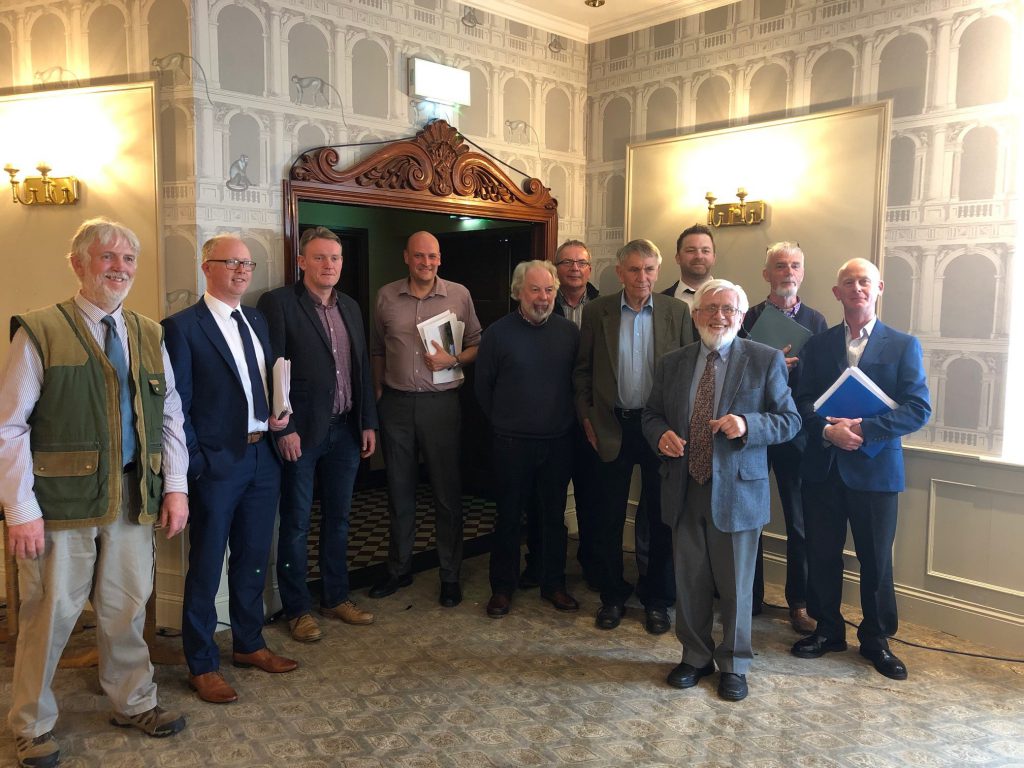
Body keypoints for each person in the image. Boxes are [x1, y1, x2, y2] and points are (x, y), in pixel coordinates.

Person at [1, 217, 188, 768]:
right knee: (50, 615)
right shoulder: (40, 330)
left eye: (128, 259)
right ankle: (31, 725)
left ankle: (134, 702)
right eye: (108, 257)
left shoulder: (149, 334)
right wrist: (21, 509)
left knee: (126, 608)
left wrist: (175, 488)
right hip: (60, 506)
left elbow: (170, 415)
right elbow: (10, 426)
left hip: (131, 497)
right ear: (78, 264)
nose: (119, 268)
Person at [643, 278, 800, 702]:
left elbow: (789, 421)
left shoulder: (764, 359)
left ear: (741, 316)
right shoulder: (673, 362)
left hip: (738, 492)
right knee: (690, 582)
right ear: (695, 315)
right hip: (684, 486)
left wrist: (748, 424)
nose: (719, 317)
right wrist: (660, 436)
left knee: (736, 587)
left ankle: (734, 663)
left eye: (728, 309)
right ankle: (695, 656)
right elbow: (651, 414)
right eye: (710, 308)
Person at [162, 235, 296, 705]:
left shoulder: (256, 319)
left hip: (263, 457)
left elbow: (264, 382)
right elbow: (175, 405)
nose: (242, 271)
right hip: (217, 466)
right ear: (207, 267)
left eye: (247, 263)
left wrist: (279, 417)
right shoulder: (182, 327)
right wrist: (197, 462)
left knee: (252, 557)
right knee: (206, 565)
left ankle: (249, 643)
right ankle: (202, 664)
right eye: (232, 262)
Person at [791, 258, 930, 680]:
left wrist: (865, 430)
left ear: (879, 288)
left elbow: (918, 408)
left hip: (876, 471)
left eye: (864, 281)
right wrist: (827, 431)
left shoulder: (903, 345)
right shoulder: (818, 345)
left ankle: (876, 639)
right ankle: (828, 631)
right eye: (848, 282)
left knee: (876, 560)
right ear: (837, 293)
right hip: (823, 467)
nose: (857, 288)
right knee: (822, 554)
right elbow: (800, 402)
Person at [257, 227, 378, 643]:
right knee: (296, 522)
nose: (329, 265)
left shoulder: (351, 307)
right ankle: (297, 609)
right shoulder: (278, 303)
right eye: (320, 257)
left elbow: (361, 369)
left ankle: (335, 597)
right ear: (302, 262)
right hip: (302, 434)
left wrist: (367, 421)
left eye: (335, 258)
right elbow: (271, 369)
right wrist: (284, 426)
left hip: (346, 431)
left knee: (340, 518)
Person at [573, 238, 694, 635]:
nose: (642, 277)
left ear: (658, 272)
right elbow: (583, 371)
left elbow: (690, 372)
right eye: (634, 270)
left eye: (649, 270)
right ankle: (612, 595)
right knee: (607, 516)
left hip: (660, 428)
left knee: (660, 518)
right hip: (613, 426)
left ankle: (657, 599)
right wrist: (587, 418)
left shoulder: (676, 312)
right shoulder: (598, 311)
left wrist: (680, 426)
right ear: (620, 273)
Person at [369, 231, 482, 607]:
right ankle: (399, 569)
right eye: (419, 256)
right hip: (397, 404)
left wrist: (454, 359)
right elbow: (377, 348)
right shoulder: (386, 296)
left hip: (441, 405)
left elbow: (477, 343)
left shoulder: (459, 295)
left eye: (432, 256)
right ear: (406, 257)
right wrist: (377, 390)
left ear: (440, 259)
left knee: (446, 493)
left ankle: (450, 574)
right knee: (399, 490)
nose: (426, 263)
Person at [475, 260, 580, 617]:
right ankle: (502, 589)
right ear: (518, 291)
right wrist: (506, 422)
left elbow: (577, 385)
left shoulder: (569, 334)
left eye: (549, 290)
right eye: (535, 290)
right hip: (511, 443)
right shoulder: (497, 334)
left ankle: (553, 584)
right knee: (507, 516)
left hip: (558, 442)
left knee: (552, 517)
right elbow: (483, 388)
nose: (543, 297)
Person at [742, 242, 828, 631]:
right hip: (756, 429)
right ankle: (750, 596)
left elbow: (822, 381)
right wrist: (770, 364)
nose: (788, 272)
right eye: (780, 266)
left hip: (797, 432)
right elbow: (735, 374)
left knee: (799, 522)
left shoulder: (817, 321)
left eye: (795, 265)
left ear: (802, 273)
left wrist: (792, 369)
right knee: (751, 517)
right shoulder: (747, 317)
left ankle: (800, 603)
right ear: (766, 274)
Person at [517, 241, 602, 591]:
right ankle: (539, 564)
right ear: (556, 268)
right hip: (549, 419)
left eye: (581, 262)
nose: (575, 268)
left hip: (590, 419)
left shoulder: (605, 307)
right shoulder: (539, 306)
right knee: (542, 500)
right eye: (567, 262)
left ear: (590, 268)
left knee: (592, 497)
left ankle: (592, 564)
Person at [662, 224, 717, 311]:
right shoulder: (659, 302)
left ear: (714, 258)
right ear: (678, 258)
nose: (699, 256)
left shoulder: (734, 298)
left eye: (705, 251)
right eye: (691, 250)